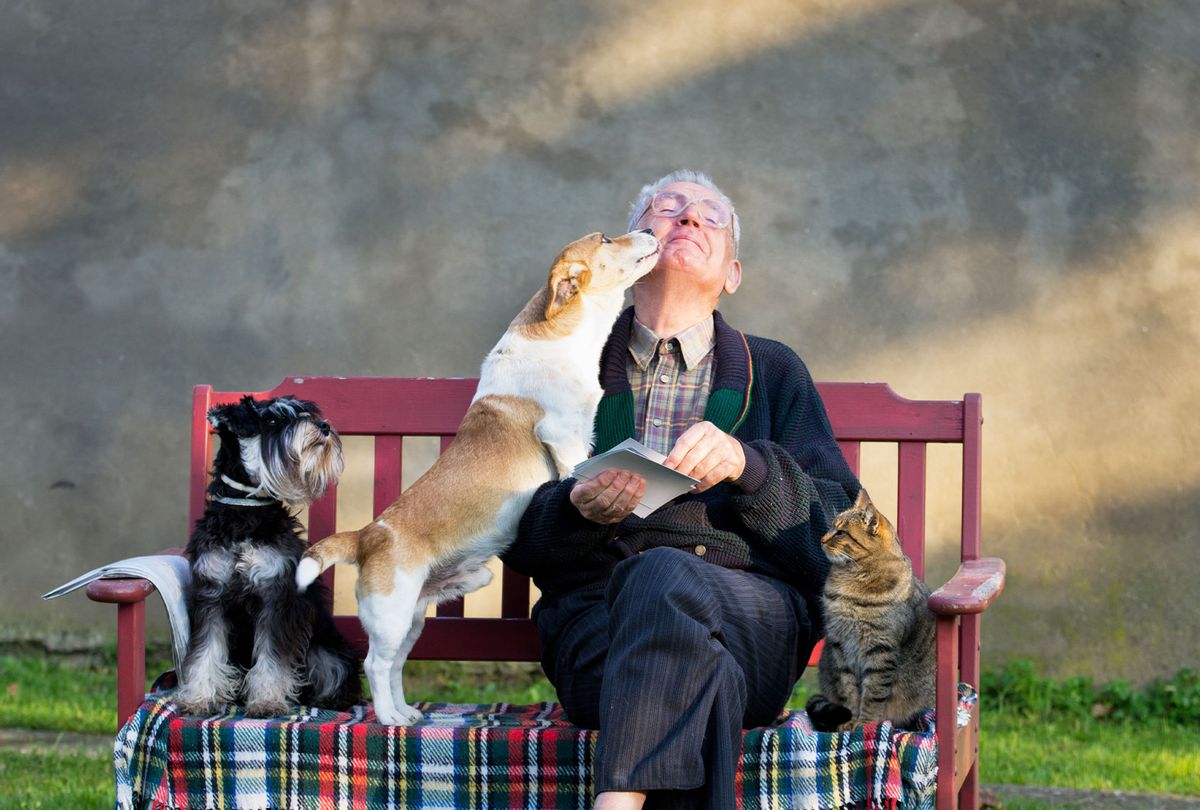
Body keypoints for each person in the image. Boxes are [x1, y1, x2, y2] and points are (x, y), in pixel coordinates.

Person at [501, 170, 861, 810]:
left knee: (666, 577)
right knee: (703, 676)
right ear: (632, 252)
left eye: (710, 217)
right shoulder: (560, 366)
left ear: (732, 274)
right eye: (666, 210)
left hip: (753, 619)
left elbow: (842, 541)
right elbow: (507, 529)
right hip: (598, 628)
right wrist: (574, 509)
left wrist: (750, 467)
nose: (689, 219)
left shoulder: (774, 371)